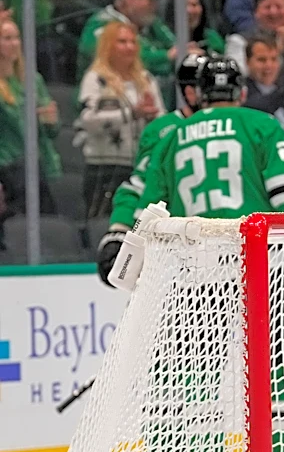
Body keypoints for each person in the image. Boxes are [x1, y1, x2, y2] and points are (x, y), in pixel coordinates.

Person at [134, 56, 284, 452]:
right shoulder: (259, 125)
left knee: (198, 378)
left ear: (196, 95)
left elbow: (147, 209)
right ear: (240, 92)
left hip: (198, 273)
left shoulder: (172, 137)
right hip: (263, 268)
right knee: (282, 369)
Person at [96, 53, 208, 286]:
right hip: (179, 256)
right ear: (190, 92)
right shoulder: (165, 130)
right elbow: (139, 186)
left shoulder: (239, 123)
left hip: (229, 249)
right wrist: (119, 230)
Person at [75, 22, 166, 221]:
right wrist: (131, 114)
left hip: (140, 168)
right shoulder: (96, 79)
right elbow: (88, 120)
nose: (129, 47)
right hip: (104, 168)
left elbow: (162, 122)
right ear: (108, 46)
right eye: (122, 42)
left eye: (133, 42)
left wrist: (151, 116)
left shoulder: (146, 80)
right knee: (101, 223)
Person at [0, 20, 60, 225]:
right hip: (7, 168)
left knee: (47, 222)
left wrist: (50, 121)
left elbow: (51, 132)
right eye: (7, 38)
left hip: (35, 166)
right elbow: (15, 125)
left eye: (16, 37)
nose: (14, 43)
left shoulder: (32, 80)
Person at [77, 0, 185, 84]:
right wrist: (166, 56)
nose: (155, 4)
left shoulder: (150, 22)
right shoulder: (101, 23)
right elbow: (121, 58)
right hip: (108, 97)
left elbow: (175, 45)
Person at [243, 30, 284, 150]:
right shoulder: (243, 93)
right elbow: (264, 105)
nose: (269, 66)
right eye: (261, 60)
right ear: (247, 62)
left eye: (274, 59)